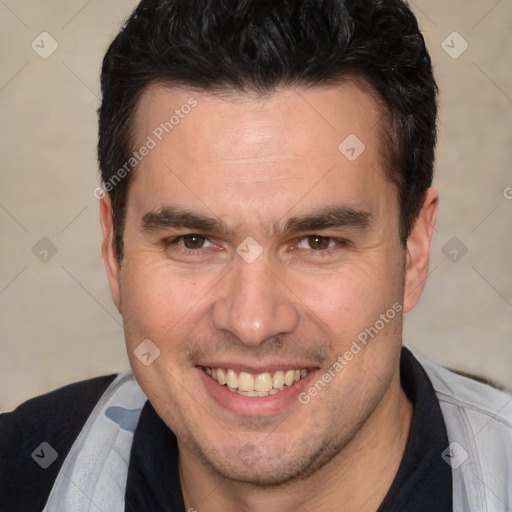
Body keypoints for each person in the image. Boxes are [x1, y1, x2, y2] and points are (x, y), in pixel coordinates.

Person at [1, 0, 511, 510]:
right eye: (192, 242)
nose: (252, 321)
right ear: (115, 252)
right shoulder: (19, 474)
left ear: (415, 251)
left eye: (318, 242)